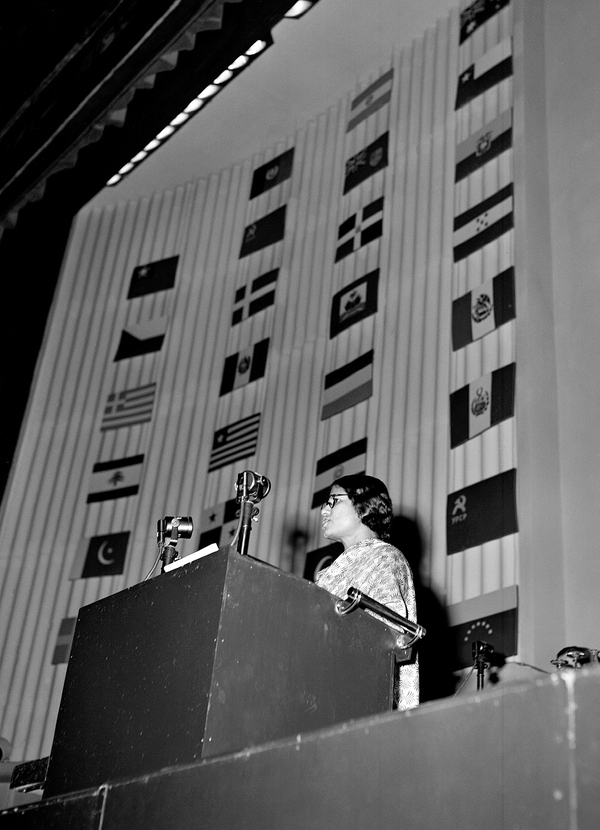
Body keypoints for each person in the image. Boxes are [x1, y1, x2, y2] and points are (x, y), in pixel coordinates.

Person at [316, 474, 419, 710]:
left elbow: (384, 642)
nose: (324, 511)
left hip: (354, 700)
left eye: (333, 501)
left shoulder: (384, 558)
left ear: (363, 506)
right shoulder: (332, 572)